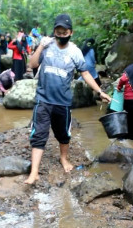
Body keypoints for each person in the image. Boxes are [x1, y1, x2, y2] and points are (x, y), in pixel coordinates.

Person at [24, 13, 111, 184]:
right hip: (43, 99)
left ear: (71, 32)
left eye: (65, 32)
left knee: (64, 134)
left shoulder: (75, 52)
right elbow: (32, 65)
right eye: (59, 31)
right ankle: (34, 173)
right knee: (39, 134)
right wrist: (40, 46)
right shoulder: (47, 46)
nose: (61, 35)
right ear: (54, 31)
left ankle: (64, 159)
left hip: (63, 102)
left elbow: (85, 73)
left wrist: (99, 91)